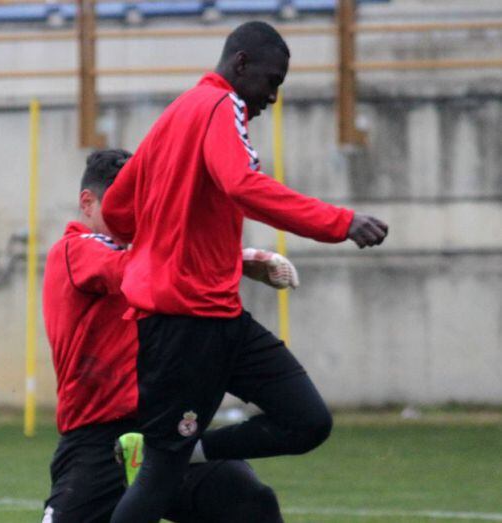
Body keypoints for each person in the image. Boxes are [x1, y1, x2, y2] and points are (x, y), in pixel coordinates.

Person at [101, 22, 389, 523]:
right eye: (271, 81)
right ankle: (171, 454)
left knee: (307, 421)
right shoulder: (220, 105)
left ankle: (188, 451)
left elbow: (119, 207)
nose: (272, 97)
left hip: (219, 316)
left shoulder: (175, 115)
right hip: (182, 324)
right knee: (158, 476)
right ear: (240, 66)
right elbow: (242, 185)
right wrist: (339, 221)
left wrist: (166, 246)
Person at [41, 149, 297, 523]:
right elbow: (135, 268)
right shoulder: (75, 249)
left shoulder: (153, 253)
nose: (135, 210)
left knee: (250, 503)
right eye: (123, 199)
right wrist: (237, 259)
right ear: (88, 202)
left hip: (164, 430)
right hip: (98, 439)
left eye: (141, 198)